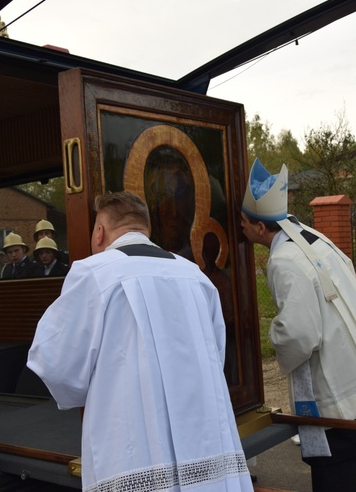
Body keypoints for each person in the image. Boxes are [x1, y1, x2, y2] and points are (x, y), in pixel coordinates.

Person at [27, 191, 252, 492]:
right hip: (203, 437)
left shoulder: (94, 275)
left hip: (134, 443)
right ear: (146, 230)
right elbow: (215, 354)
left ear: (99, 233)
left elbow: (54, 362)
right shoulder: (195, 277)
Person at [240, 158, 356, 492]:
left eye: (243, 222)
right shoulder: (314, 236)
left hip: (348, 400)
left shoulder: (283, 260)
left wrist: (271, 334)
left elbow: (300, 333)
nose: (240, 229)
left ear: (259, 227)